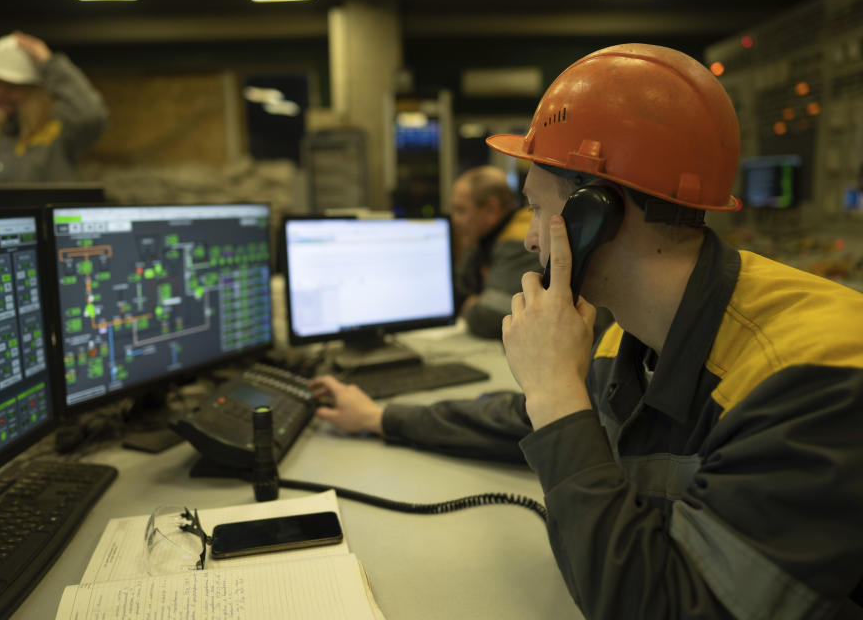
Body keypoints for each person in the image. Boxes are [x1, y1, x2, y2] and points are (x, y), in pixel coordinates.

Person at [311, 43, 863, 618]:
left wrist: (554, 393)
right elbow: (524, 418)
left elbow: (673, 607)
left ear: (594, 213)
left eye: (534, 208)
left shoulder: (814, 380)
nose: (527, 240)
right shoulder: (632, 329)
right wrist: (379, 417)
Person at [0, 31, 107, 184]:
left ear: (35, 92)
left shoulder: (58, 134)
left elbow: (91, 115)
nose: (1, 93)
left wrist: (50, 63)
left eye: (12, 86)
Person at [451, 165, 542, 338]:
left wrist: (472, 307)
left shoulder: (520, 240)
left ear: (492, 209)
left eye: (461, 210)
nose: (455, 220)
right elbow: (464, 288)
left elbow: (490, 316)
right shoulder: (485, 239)